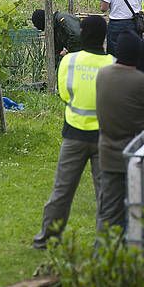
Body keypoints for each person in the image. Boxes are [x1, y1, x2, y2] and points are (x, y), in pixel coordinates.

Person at [32, 15, 114, 249]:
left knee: (62, 189)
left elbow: (64, 94)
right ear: (104, 37)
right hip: (104, 137)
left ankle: (47, 237)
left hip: (74, 134)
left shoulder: (70, 62)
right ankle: (106, 243)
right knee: (105, 194)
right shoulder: (113, 64)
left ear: (83, 33)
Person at [95, 31, 144, 231]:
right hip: (137, 154)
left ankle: (104, 252)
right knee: (140, 208)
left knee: (109, 210)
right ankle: (137, 252)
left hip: (108, 153)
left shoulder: (102, 75)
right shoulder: (143, 82)